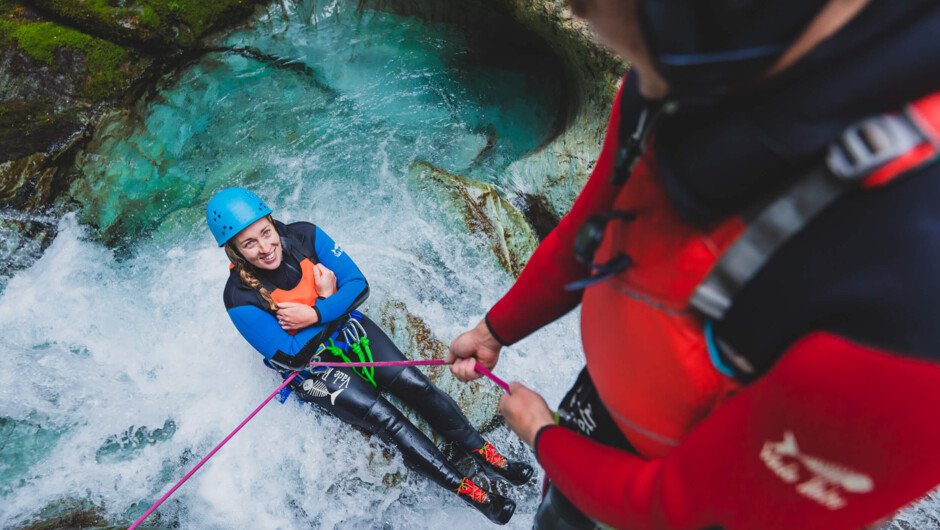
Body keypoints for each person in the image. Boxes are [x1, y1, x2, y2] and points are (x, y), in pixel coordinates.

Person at [447, 0, 940, 528]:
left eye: (588, 7)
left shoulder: (912, 297)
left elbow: (681, 509)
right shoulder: (679, 78)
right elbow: (596, 232)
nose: (572, 9)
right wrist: (496, 329)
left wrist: (543, 436)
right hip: (601, 421)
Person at [206, 187, 533, 525]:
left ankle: (488, 456)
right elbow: (292, 356)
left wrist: (317, 312)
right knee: (385, 418)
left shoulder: (305, 235)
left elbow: (359, 284)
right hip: (312, 370)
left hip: (348, 331)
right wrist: (332, 299)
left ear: (273, 222)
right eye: (249, 244)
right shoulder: (239, 297)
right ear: (235, 252)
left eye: (265, 232)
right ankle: (472, 494)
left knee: (415, 384)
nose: (265, 247)